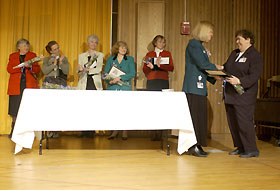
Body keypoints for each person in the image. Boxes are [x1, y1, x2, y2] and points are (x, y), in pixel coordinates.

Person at [182, 21, 223, 157]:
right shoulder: (194, 44)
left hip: (198, 87)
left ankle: (197, 145)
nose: (212, 35)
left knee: (200, 117)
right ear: (204, 31)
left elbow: (202, 67)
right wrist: (217, 68)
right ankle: (193, 146)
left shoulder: (199, 45)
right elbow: (202, 63)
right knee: (195, 117)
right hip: (193, 87)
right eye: (210, 32)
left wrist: (214, 77)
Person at [223, 30, 263, 158]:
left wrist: (239, 81)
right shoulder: (234, 53)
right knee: (233, 122)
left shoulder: (255, 55)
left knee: (244, 122)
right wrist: (219, 71)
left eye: (239, 39)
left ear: (248, 40)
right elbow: (226, 67)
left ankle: (251, 149)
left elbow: (255, 75)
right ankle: (240, 147)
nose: (237, 42)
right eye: (236, 39)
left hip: (244, 95)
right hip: (230, 94)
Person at [7, 39, 40, 138]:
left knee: (29, 108)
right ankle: (14, 130)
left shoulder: (32, 55)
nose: (26, 48)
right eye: (24, 46)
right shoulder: (12, 56)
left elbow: (37, 70)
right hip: (16, 85)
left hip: (29, 84)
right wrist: (20, 66)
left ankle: (29, 131)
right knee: (15, 108)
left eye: (27, 46)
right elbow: (9, 69)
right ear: (18, 47)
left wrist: (30, 67)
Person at [143, 35, 174, 141]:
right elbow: (144, 70)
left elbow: (171, 67)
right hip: (152, 81)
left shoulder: (167, 54)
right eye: (160, 42)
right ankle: (153, 131)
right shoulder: (149, 54)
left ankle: (161, 132)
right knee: (152, 105)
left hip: (163, 81)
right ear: (155, 43)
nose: (162, 44)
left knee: (163, 106)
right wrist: (149, 66)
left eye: (164, 42)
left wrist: (159, 65)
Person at [104, 41, 136, 140]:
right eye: (122, 47)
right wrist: (110, 81)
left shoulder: (130, 59)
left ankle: (125, 131)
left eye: (125, 48)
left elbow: (132, 73)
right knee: (114, 111)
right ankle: (114, 131)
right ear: (117, 49)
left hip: (125, 88)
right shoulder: (110, 59)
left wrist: (120, 77)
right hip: (113, 88)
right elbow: (105, 74)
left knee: (125, 110)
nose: (124, 49)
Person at [77, 35, 104, 138]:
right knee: (83, 107)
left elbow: (99, 69)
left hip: (94, 83)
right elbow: (78, 72)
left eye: (95, 42)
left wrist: (88, 70)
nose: (93, 44)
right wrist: (80, 70)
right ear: (88, 43)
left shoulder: (99, 55)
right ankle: (83, 130)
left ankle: (92, 131)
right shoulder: (81, 56)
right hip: (84, 82)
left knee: (93, 107)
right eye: (92, 42)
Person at [42, 41, 69, 138]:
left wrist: (61, 63)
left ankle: (56, 130)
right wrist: (53, 64)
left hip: (60, 83)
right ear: (50, 51)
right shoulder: (46, 59)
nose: (57, 51)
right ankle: (49, 130)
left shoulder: (63, 58)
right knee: (49, 107)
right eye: (54, 49)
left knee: (58, 107)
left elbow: (66, 71)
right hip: (49, 83)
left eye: (58, 48)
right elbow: (45, 71)